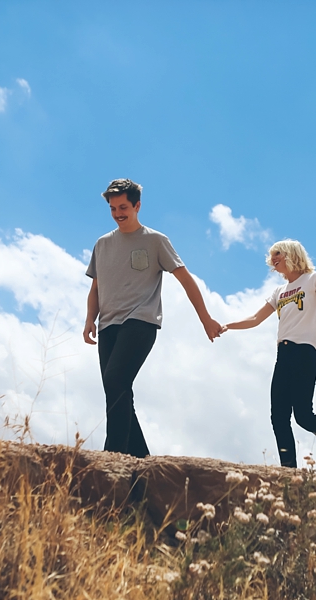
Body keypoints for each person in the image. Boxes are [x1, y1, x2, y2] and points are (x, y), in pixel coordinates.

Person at [84, 178, 223, 458]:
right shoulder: (102, 244)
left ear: (137, 206)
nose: (118, 213)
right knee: (117, 393)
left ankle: (112, 458)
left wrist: (205, 318)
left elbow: (186, 279)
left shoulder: (156, 241)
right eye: (112, 208)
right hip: (108, 325)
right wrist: (90, 319)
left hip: (141, 322)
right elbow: (95, 288)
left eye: (123, 207)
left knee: (115, 381)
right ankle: (142, 465)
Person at [222, 239, 316, 490]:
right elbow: (256, 318)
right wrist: (226, 325)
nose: (273, 259)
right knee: (278, 417)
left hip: (305, 353)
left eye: (277, 254)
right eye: (271, 256)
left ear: (292, 254)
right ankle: (289, 477)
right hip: (283, 354)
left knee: (303, 415)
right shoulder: (278, 292)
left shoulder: (314, 279)